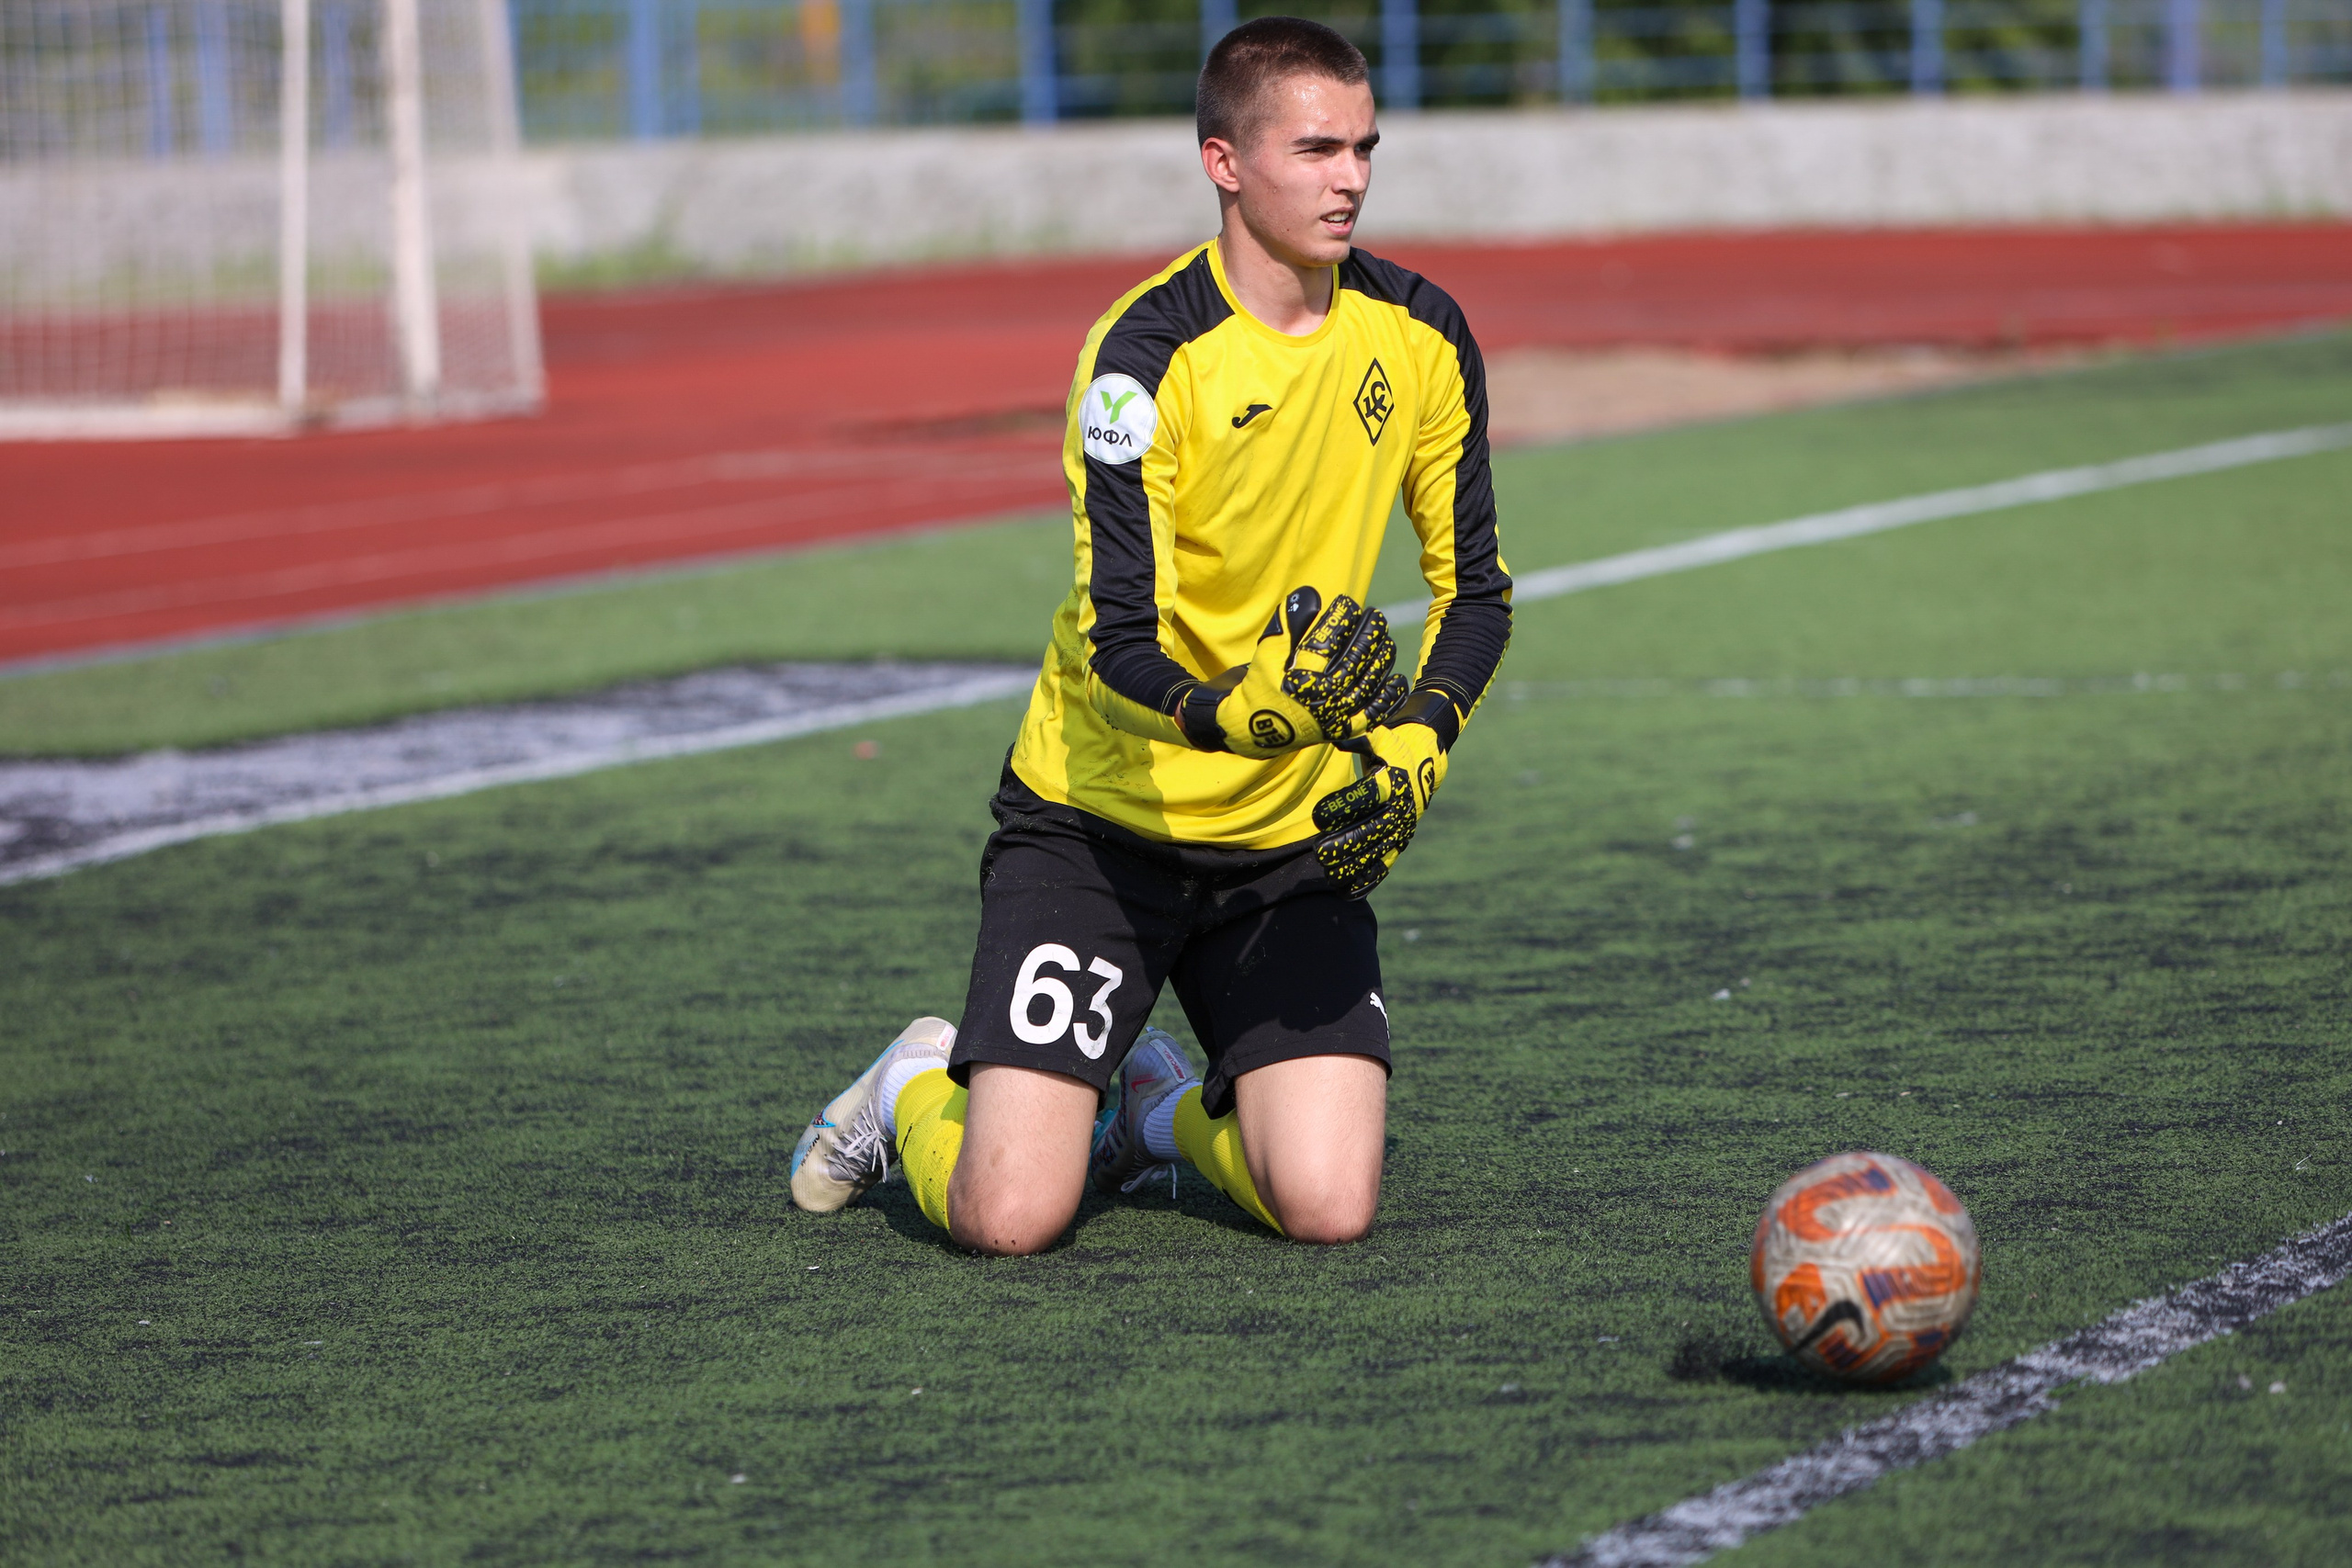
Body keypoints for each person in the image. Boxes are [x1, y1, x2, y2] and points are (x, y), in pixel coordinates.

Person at [789, 16, 1510, 1255]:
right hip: (1101, 824)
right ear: (1224, 162)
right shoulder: (1140, 360)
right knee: (1012, 1218)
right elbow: (1119, 640)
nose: (1350, 178)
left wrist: (1416, 741)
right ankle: (912, 1080)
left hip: (1284, 838)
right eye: (1316, 149)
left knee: (1327, 1205)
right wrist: (1232, 714)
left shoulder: (1423, 333)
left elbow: (1476, 597)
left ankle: (1152, 1115)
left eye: (1364, 148)